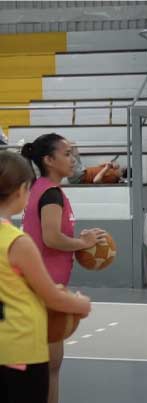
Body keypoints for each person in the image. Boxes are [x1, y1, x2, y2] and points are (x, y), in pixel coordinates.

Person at [0, 151, 91, 403]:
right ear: (21, 191)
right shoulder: (17, 242)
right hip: (20, 351)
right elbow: (51, 297)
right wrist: (81, 305)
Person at [20, 133, 105, 403]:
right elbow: (51, 238)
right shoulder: (51, 194)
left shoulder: (40, 188)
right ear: (48, 159)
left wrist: (81, 241)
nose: (73, 159)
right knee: (49, 367)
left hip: (37, 287)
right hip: (43, 289)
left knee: (46, 368)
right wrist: (83, 243)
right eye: (67, 154)